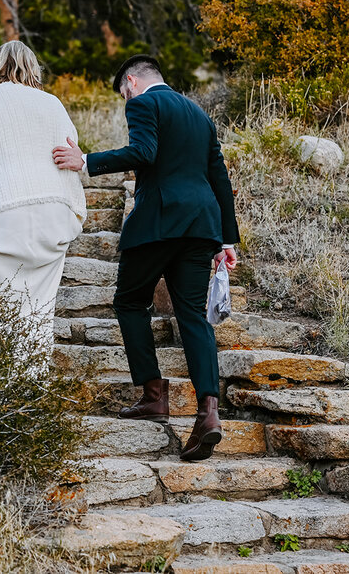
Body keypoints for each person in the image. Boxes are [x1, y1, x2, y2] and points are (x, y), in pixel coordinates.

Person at [52, 54, 240, 461]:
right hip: (202, 225)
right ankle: (209, 411)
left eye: (122, 92)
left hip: (158, 222)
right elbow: (219, 177)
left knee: (129, 301)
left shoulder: (142, 103)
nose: (124, 100)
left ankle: (154, 394)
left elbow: (145, 152)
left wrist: (86, 161)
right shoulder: (199, 114)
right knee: (192, 314)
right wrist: (228, 240)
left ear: (133, 82)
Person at [0, 41, 86, 366]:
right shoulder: (53, 104)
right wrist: (72, 215)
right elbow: (69, 156)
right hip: (52, 214)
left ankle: (2, 398)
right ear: (33, 67)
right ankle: (32, 396)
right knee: (39, 312)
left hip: (3, 216)